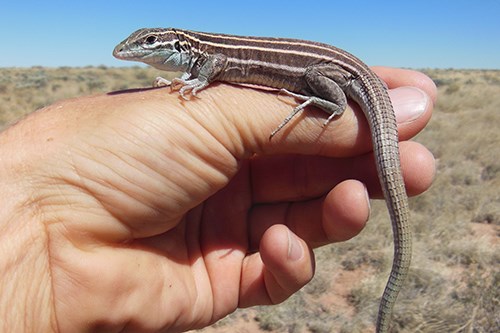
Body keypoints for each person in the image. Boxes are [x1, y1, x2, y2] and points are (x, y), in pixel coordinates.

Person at [0, 67, 436, 332]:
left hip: (341, 80)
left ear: (177, 46)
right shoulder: (203, 59)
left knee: (337, 113)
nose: (137, 51)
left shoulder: (208, 55)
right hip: (341, 75)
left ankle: (331, 104)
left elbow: (216, 69)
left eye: (150, 44)